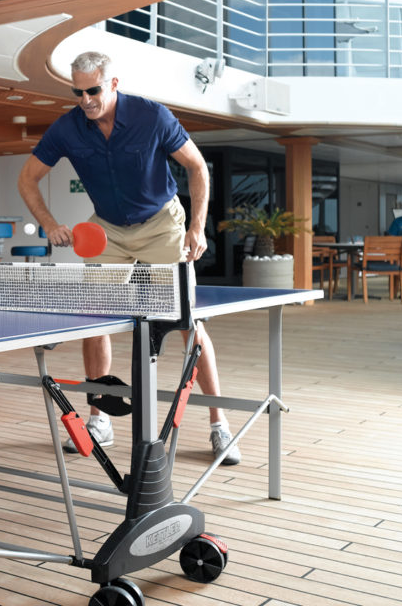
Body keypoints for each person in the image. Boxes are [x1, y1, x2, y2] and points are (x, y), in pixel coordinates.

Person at [18, 51, 240, 465]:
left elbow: (197, 168)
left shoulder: (152, 116)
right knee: (94, 318)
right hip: (108, 231)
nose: (85, 99)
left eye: (93, 90)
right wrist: (49, 223)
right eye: (78, 91)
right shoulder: (68, 128)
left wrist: (197, 227)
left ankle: (219, 423)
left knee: (187, 322)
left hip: (161, 223)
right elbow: (27, 178)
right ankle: (99, 418)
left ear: (113, 83)